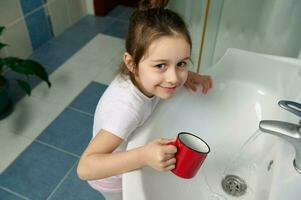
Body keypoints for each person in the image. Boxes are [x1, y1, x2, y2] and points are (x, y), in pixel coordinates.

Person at [77, 0, 213, 199]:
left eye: (181, 63)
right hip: (113, 179)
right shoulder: (127, 109)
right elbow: (85, 168)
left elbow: (169, 69)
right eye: (161, 66)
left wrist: (190, 76)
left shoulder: (141, 75)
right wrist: (143, 156)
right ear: (131, 63)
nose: (174, 78)